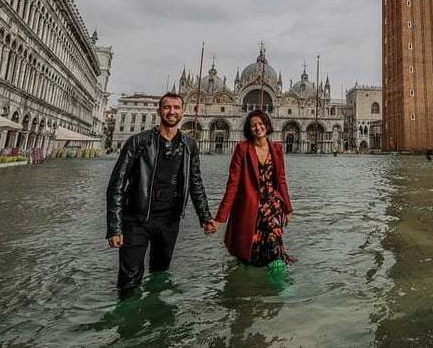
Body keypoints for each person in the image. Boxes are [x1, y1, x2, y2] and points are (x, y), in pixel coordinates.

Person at [106, 92, 217, 295]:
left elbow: (195, 183)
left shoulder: (189, 145)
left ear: (183, 111)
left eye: (176, 107)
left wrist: (205, 217)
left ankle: (155, 319)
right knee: (128, 281)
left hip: (169, 221)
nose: (171, 111)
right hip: (136, 220)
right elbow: (117, 184)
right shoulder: (138, 142)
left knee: (160, 274)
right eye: (167, 107)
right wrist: (114, 227)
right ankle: (128, 322)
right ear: (159, 111)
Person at [216, 110, 294, 272]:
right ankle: (254, 288)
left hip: (273, 205)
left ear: (267, 125)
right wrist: (220, 218)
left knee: (274, 242)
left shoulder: (277, 149)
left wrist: (287, 208)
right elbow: (233, 184)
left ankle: (281, 285)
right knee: (253, 249)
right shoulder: (242, 149)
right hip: (251, 205)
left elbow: (282, 181)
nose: (258, 128)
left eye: (261, 124)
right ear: (249, 129)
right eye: (253, 125)